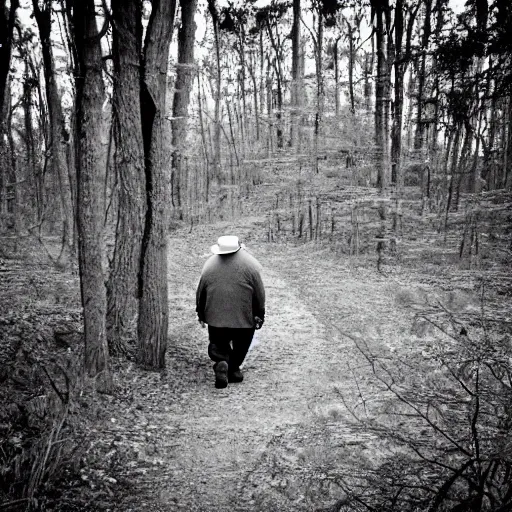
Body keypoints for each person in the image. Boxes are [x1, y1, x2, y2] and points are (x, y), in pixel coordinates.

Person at [196, 235, 266, 389]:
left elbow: (201, 292)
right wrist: (260, 313)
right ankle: (233, 369)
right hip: (244, 318)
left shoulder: (209, 265)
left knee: (218, 345)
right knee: (241, 345)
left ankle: (222, 362)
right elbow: (259, 293)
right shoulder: (250, 264)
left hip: (216, 318)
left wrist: (200, 313)